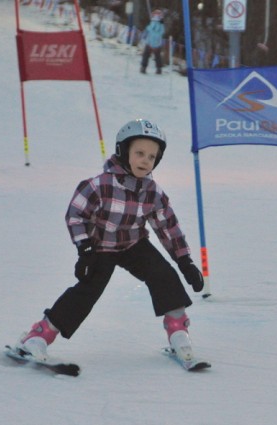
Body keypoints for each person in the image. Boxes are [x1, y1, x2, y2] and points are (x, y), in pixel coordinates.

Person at [13, 119, 204, 364]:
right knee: (88, 290)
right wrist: (85, 249)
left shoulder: (153, 193)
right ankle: (38, 336)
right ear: (123, 151)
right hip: (100, 246)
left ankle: (178, 332)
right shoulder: (100, 185)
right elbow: (76, 214)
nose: (146, 161)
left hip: (134, 244)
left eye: (152, 157)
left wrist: (184, 261)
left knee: (164, 275)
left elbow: (168, 227)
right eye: (139, 153)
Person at [140, 9, 165, 74]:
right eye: (155, 14)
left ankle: (159, 69)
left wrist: (150, 30)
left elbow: (159, 33)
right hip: (149, 42)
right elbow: (148, 31)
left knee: (157, 56)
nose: (156, 16)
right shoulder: (152, 22)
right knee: (146, 55)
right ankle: (143, 67)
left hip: (156, 43)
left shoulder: (161, 25)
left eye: (157, 15)